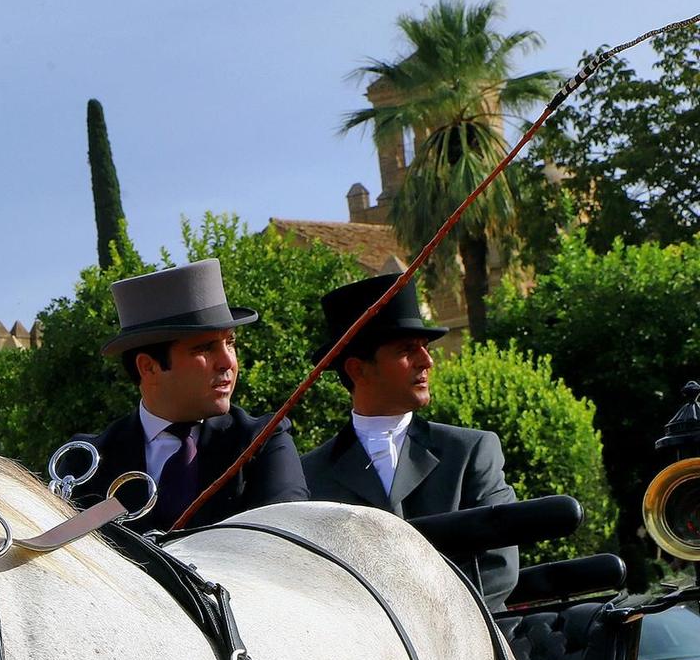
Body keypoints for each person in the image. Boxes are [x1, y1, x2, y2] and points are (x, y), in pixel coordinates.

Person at [301, 273, 519, 608]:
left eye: (425, 348)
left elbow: (498, 568)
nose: (427, 361)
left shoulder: (471, 452)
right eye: (407, 350)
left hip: (468, 649)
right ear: (358, 370)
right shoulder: (309, 476)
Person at [72, 258, 308, 530]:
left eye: (230, 343)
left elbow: (285, 546)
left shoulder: (263, 443)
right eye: (205, 348)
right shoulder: (86, 461)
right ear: (149, 367)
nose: (227, 362)